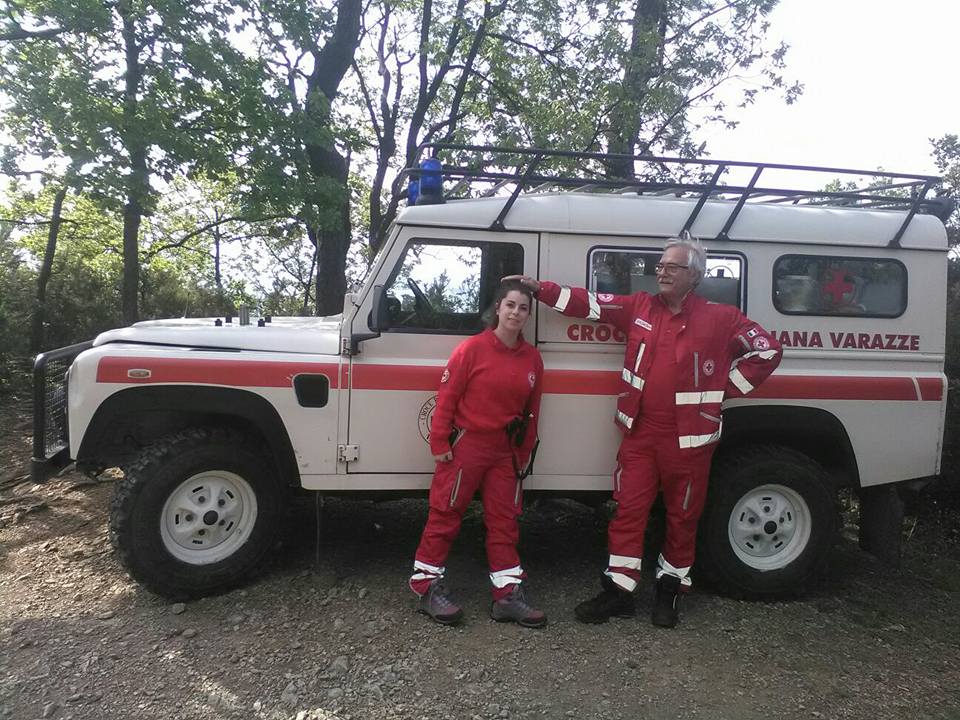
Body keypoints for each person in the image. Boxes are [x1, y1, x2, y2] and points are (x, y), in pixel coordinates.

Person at [505, 237, 781, 628]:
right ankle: (619, 590)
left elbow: (768, 350)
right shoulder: (640, 307)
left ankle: (670, 590)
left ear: (695, 276)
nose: (662, 271)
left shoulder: (721, 317)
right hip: (640, 434)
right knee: (628, 511)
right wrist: (540, 289)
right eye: (661, 265)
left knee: (683, 517)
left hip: (690, 441)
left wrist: (724, 387)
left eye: (673, 266)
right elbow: (592, 303)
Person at [409, 279, 546, 628]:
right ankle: (426, 588)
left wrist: (525, 449)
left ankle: (507, 596)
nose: (516, 312)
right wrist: (439, 443)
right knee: (445, 514)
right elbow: (447, 399)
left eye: (523, 308)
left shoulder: (532, 358)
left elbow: (533, 411)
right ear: (497, 308)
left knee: (505, 522)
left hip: (507, 452)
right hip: (468, 445)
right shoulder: (470, 350)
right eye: (510, 305)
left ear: (528, 315)